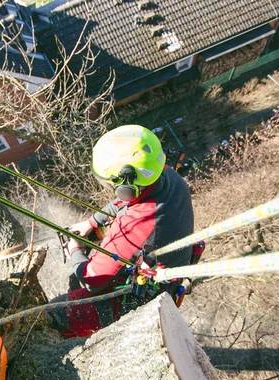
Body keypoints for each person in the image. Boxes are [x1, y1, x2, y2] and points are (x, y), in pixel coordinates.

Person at [50, 125, 196, 338]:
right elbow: (124, 200)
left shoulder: (139, 224)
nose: (109, 187)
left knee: (55, 312)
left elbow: (91, 280)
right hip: (164, 272)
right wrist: (92, 222)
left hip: (143, 300)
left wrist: (75, 250)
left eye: (112, 183)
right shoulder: (164, 175)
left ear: (126, 188)